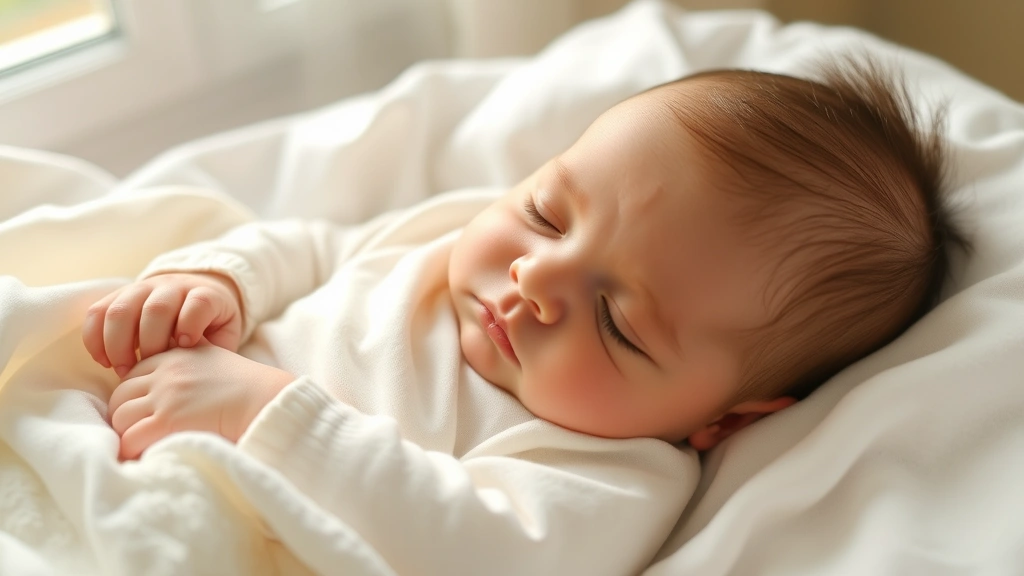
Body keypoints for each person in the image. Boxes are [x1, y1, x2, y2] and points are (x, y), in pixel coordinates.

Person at [81, 57, 966, 574]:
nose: (536, 275)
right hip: (116, 419)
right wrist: (217, 283)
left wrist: (261, 410)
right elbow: (317, 247)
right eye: (548, 211)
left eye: (618, 321)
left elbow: (475, 550)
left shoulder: (605, 474)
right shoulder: (455, 235)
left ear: (725, 417)